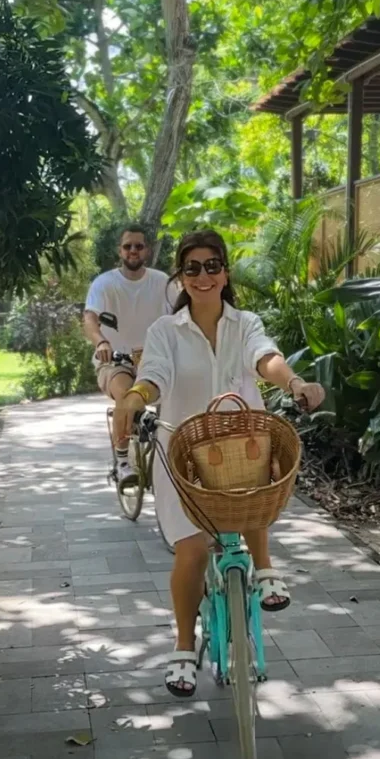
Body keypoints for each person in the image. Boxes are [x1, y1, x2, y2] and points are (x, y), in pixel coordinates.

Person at [113, 229, 325, 698]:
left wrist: (293, 383)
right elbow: (155, 377)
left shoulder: (245, 323)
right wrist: (133, 399)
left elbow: (264, 357)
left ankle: (265, 567)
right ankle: (184, 648)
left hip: (241, 449)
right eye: (192, 268)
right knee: (192, 552)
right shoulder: (165, 331)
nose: (203, 275)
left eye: (213, 266)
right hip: (184, 454)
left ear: (225, 272)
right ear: (181, 278)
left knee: (253, 485)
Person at [83, 224, 170, 484]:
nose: (133, 250)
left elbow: (182, 314)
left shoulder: (162, 282)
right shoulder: (105, 283)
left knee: (180, 392)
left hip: (154, 360)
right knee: (125, 391)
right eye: (128, 246)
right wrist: (101, 342)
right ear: (119, 250)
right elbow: (90, 318)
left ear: (147, 250)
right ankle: (122, 462)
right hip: (115, 361)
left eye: (139, 246)